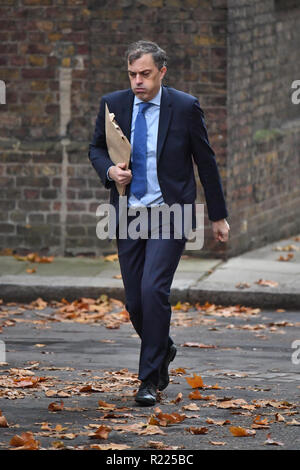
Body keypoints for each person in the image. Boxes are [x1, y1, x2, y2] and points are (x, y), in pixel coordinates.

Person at [88, 40, 229, 406]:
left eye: (145, 74)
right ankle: (162, 347)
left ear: (161, 72)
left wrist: (218, 216)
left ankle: (148, 381)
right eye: (132, 74)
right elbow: (96, 148)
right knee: (135, 301)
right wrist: (109, 170)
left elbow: (206, 162)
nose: (138, 81)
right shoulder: (113, 104)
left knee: (153, 290)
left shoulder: (183, 107)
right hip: (127, 213)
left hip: (171, 213)